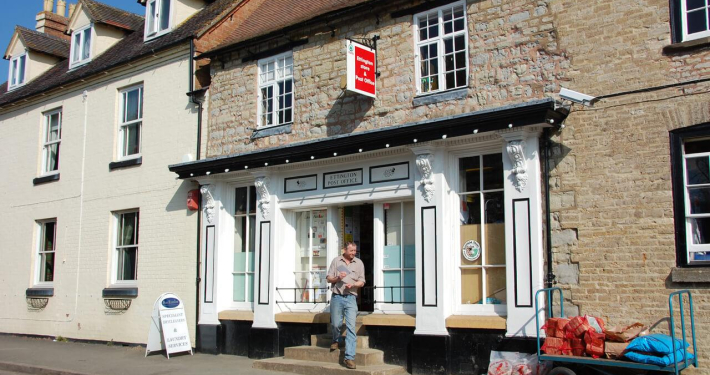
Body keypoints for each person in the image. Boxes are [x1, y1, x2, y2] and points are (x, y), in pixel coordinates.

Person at [326, 241, 365, 370]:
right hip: (337, 297)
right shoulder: (336, 261)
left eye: (355, 251)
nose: (354, 253)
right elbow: (328, 278)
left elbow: (362, 281)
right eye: (351, 251)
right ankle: (336, 339)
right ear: (344, 250)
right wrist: (337, 278)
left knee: (351, 327)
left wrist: (353, 285)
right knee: (336, 324)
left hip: (351, 298)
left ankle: (349, 358)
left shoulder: (359, 263)